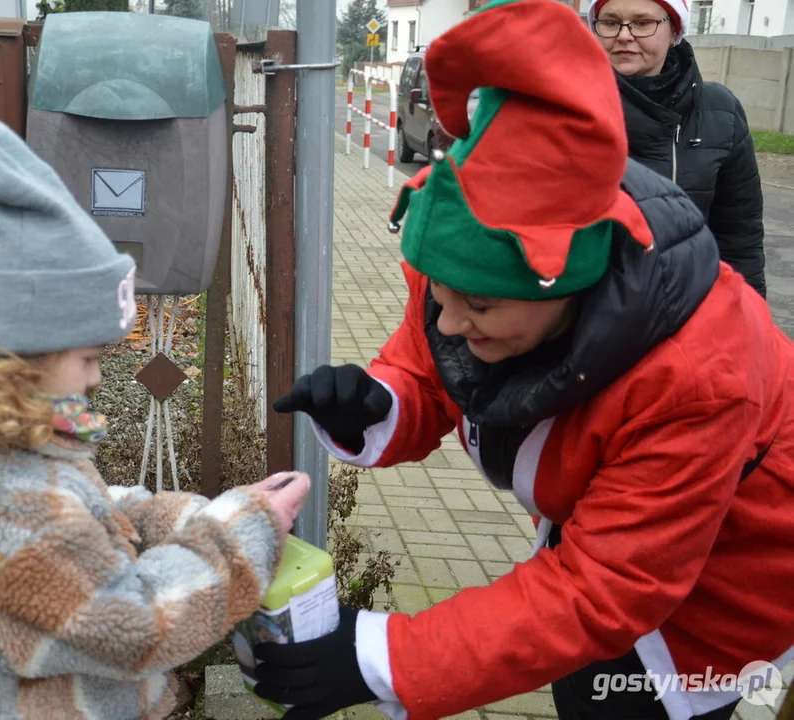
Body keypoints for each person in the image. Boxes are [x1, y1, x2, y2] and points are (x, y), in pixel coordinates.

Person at [252, 0, 794, 719]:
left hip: (728, 574)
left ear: (562, 278)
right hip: (617, 534)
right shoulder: (476, 272)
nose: (448, 319)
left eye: (473, 307)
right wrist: (382, 402)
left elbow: (603, 591)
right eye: (438, 294)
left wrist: (388, 657)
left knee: (618, 700)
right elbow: (434, 359)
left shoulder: (700, 377)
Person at [0, 119, 311, 719]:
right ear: (18, 357)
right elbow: (132, 627)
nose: (96, 378)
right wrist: (239, 536)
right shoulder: (10, 499)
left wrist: (183, 516)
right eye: (88, 358)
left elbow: (84, 516)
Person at [589, 0, 767, 297]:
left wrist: (748, 318)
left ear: (674, 32)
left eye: (643, 23)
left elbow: (739, 239)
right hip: (585, 319)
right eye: (609, 22)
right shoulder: (565, 108)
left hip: (689, 314)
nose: (623, 35)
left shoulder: (719, 111)